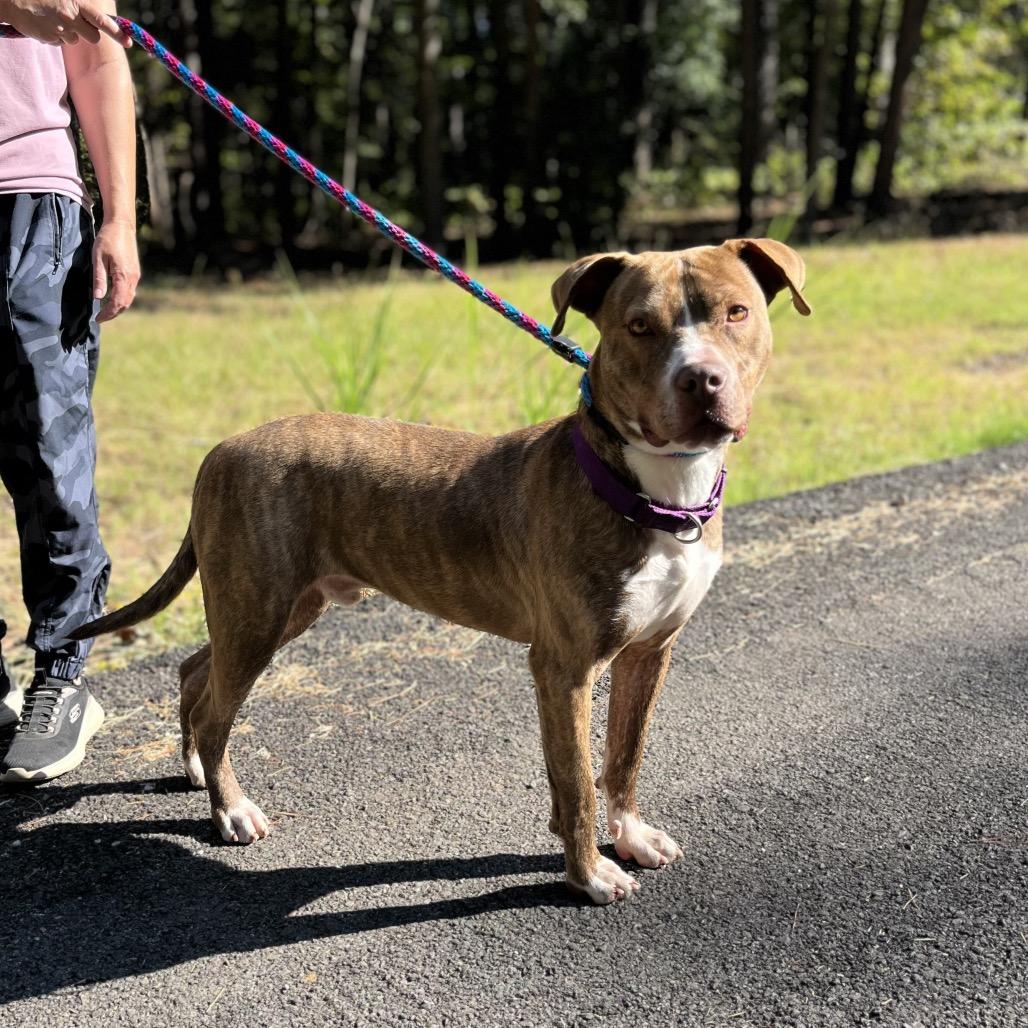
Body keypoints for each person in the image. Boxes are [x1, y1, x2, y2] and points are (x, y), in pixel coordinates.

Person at [0, 0, 139, 781]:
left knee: (48, 453)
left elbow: (96, 56)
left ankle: (62, 674)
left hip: (28, 197)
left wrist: (119, 219)